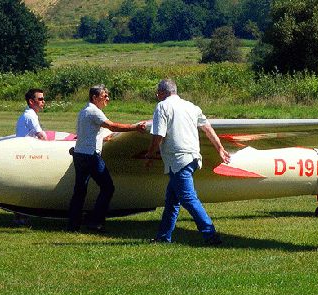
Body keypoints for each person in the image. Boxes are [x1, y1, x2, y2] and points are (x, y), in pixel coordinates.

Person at [144, 79, 230, 246]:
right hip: (191, 159)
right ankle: (163, 237)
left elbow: (158, 137)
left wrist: (149, 155)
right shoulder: (192, 107)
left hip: (178, 160)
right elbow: (208, 129)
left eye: (157, 93)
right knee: (172, 200)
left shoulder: (162, 107)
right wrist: (219, 148)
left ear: (162, 92)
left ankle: (210, 235)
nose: (157, 96)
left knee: (188, 199)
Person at [67, 84, 146, 233]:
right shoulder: (94, 112)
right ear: (95, 98)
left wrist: (104, 138)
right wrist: (135, 127)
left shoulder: (84, 111)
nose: (107, 99)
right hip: (90, 157)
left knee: (79, 192)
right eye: (105, 96)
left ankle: (73, 225)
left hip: (79, 156)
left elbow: (89, 134)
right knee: (108, 187)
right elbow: (113, 126)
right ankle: (95, 222)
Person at [13, 88, 48, 225]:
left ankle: (20, 216)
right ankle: (20, 217)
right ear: (31, 101)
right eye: (40, 99)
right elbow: (41, 136)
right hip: (26, 155)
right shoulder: (30, 116)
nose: (43, 101)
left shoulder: (29, 115)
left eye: (43, 99)